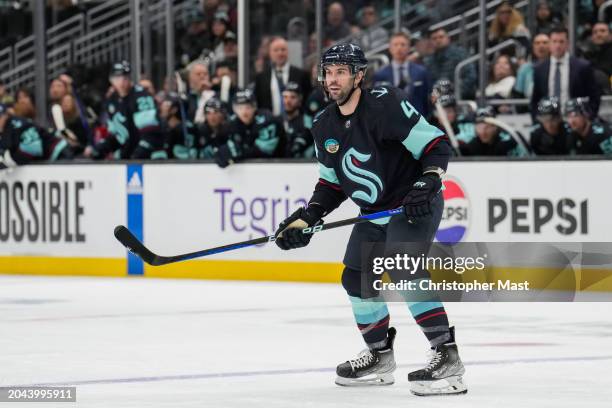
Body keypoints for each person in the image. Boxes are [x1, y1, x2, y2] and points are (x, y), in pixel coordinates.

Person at [273, 43, 467, 395]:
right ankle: (379, 355)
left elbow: (435, 145)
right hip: (375, 213)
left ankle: (447, 355)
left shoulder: (385, 104)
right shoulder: (323, 125)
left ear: (359, 75)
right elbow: (330, 185)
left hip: (412, 204)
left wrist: (428, 180)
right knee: (355, 277)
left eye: (341, 72)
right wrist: (308, 218)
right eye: (328, 72)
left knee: (404, 265)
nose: (333, 80)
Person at [84, 61, 167, 160]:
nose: (122, 81)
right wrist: (99, 149)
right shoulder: (112, 100)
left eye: (125, 77)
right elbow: (116, 135)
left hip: (152, 155)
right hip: (129, 152)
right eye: (117, 78)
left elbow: (150, 133)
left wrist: (137, 155)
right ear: (111, 80)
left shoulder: (141, 97)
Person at [531, 26, 601, 119]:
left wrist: (588, 117)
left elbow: (594, 96)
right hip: (549, 123)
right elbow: (535, 99)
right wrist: (538, 119)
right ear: (550, 44)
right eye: (554, 41)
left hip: (576, 122)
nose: (557, 45)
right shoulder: (540, 69)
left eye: (561, 41)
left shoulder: (582, 67)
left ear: (567, 44)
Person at [213, 89, 283, 168]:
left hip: (276, 168)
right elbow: (218, 145)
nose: (244, 112)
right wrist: (221, 152)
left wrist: (238, 152)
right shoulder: (231, 124)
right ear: (234, 109)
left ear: (254, 107)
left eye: (248, 107)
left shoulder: (268, 120)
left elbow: (265, 151)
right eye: (239, 108)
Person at [0, 103, 73, 171]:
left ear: (5, 116)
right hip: (51, 157)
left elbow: (34, 148)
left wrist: (9, 160)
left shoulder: (17, 124)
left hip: (60, 152)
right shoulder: (7, 129)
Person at [373, 32, 432, 116]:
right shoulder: (380, 74)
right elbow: (377, 103)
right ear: (390, 48)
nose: (399, 48)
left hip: (418, 121)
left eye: (403, 44)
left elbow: (427, 100)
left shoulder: (421, 72)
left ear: (409, 48)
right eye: (395, 45)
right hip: (391, 121)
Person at [254, 36, 311, 116]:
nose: (280, 53)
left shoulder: (302, 75)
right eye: (276, 50)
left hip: (297, 123)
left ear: (288, 52)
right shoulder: (261, 78)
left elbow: (306, 100)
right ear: (270, 53)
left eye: (283, 50)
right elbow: (259, 103)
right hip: (270, 124)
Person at [425, 27, 476, 99]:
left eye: (441, 37)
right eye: (434, 38)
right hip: (438, 100)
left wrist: (453, 94)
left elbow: (471, 76)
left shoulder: (460, 54)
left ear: (448, 38)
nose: (438, 40)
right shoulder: (429, 61)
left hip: (461, 98)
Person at [460, 106, 528, 157]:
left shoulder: (508, 140)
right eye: (479, 127)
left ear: (495, 127)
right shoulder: (471, 144)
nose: (483, 132)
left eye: (487, 127)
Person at [161, 94, 199, 159]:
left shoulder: (178, 131)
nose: (161, 107)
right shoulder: (190, 127)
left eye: (166, 105)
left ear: (174, 110)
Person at [281, 82, 314, 158]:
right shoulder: (278, 120)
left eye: (292, 97)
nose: (288, 101)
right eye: (285, 97)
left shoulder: (306, 121)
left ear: (300, 99)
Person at [514, 33, 550, 99]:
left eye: (545, 43)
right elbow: (518, 94)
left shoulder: (556, 67)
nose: (541, 46)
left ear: (551, 45)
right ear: (533, 47)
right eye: (537, 43)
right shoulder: (525, 68)